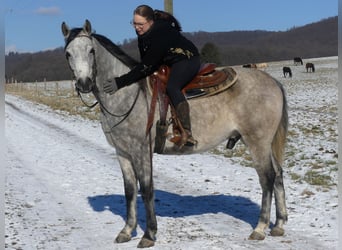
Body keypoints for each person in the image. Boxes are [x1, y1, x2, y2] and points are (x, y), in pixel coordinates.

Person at [104, 4, 200, 146]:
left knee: (173, 87)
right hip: (168, 60)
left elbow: (146, 66)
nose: (137, 27)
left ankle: (187, 132)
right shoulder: (143, 34)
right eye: (134, 23)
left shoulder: (161, 34)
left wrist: (120, 82)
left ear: (150, 22)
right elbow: (145, 61)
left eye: (140, 24)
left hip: (187, 59)